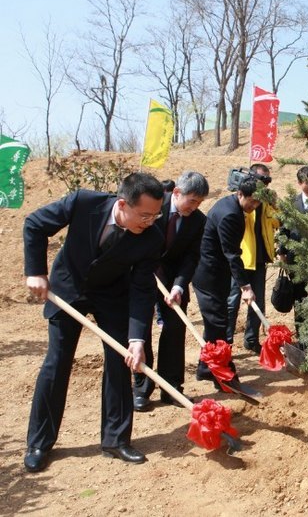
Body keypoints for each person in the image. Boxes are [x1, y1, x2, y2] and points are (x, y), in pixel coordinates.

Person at [22, 172, 165, 472]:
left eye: (156, 215)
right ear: (123, 204)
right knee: (57, 361)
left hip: (112, 294)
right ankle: (39, 442)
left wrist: (137, 339)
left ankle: (116, 439)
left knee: (120, 360)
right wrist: (36, 271)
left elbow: (142, 289)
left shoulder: (151, 237)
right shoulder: (84, 202)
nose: (150, 221)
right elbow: (35, 225)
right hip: (68, 287)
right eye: (145, 215)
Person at [132, 172, 209, 411]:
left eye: (199, 203)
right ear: (177, 193)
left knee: (175, 330)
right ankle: (142, 387)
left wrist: (177, 285)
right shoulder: (155, 207)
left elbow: (191, 257)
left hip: (174, 279)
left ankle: (171, 386)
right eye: (192, 200)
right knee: (141, 330)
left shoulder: (198, 220)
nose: (194, 207)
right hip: (143, 275)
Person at [192, 175, 260, 386]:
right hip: (209, 274)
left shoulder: (232, 205)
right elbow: (232, 254)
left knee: (215, 323)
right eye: (253, 201)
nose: (255, 205)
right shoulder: (231, 214)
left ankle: (206, 367)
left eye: (259, 202)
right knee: (218, 324)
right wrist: (245, 287)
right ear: (241, 194)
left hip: (215, 273)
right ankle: (224, 374)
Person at [226, 163, 280, 354]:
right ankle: (227, 341)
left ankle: (251, 339)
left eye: (267, 180)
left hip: (260, 257)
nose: (264, 184)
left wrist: (274, 204)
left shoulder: (265, 201)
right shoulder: (239, 198)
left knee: (258, 302)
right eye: (261, 179)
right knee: (232, 301)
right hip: (242, 258)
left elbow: (277, 221)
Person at [277, 165, 308, 339]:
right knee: (300, 299)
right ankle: (303, 338)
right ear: (299, 183)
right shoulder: (291, 205)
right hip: (297, 260)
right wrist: (282, 255)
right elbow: (283, 232)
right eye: (307, 183)